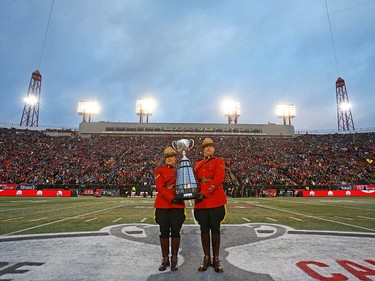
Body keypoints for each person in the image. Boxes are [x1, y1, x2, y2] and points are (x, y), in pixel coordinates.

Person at [194, 138, 227, 273]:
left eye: (211, 146)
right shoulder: (197, 164)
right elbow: (195, 181)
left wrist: (205, 192)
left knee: (215, 229)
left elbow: (219, 179)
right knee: (203, 229)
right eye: (206, 147)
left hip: (214, 199)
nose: (208, 148)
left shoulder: (219, 161)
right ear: (203, 150)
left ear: (214, 149)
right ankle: (206, 258)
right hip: (201, 201)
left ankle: (216, 258)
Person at [154, 146, 186, 271]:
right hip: (163, 204)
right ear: (165, 159)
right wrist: (172, 198)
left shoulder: (180, 171)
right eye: (167, 157)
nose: (169, 159)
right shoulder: (158, 170)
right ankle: (165, 259)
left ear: (175, 158)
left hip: (177, 205)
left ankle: (174, 258)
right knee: (164, 232)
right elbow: (160, 188)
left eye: (171, 156)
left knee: (176, 232)